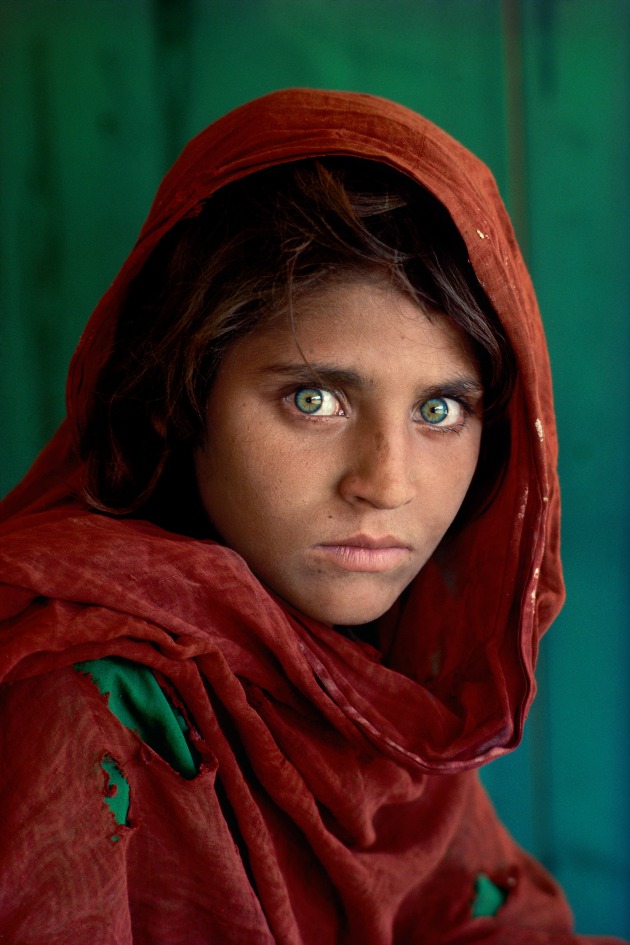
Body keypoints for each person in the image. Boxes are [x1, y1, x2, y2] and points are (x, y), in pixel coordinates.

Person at [0, 89, 623, 944]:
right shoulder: (80, 696)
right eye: (314, 397)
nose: (386, 482)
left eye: (440, 410)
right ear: (175, 399)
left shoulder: (374, 692)